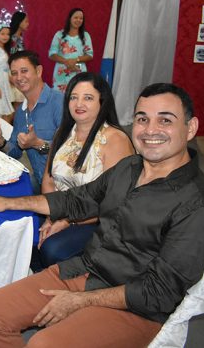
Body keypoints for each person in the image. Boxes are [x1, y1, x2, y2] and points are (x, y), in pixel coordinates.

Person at [0, 83, 204, 348]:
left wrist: (81, 301)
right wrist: (9, 203)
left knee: (44, 344)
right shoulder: (129, 167)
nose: (150, 130)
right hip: (87, 271)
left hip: (137, 306)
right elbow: (77, 200)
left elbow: (159, 292)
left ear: (190, 128)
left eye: (165, 120)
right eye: (142, 119)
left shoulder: (198, 206)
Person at [36, 72, 134, 269]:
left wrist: (67, 221)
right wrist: (52, 215)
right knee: (24, 227)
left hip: (96, 220)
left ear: (102, 102)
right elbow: (48, 179)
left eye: (88, 98)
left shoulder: (114, 139)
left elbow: (112, 203)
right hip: (60, 209)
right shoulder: (63, 132)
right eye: (74, 97)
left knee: (51, 248)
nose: (79, 104)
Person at [7, 50, 64, 191]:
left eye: (24, 71)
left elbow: (70, 150)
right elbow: (15, 152)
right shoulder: (21, 112)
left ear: (38, 71)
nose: (19, 77)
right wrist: (0, 142)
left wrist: (38, 144)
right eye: (14, 73)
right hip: (39, 182)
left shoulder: (59, 102)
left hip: (63, 188)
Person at [48, 8, 94, 92]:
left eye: (81, 18)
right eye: (76, 17)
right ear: (70, 19)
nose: (78, 20)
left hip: (78, 72)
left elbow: (90, 55)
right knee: (60, 98)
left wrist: (75, 60)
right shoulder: (59, 35)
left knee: (78, 96)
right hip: (61, 74)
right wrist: (67, 62)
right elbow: (52, 54)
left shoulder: (85, 36)